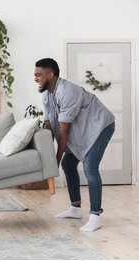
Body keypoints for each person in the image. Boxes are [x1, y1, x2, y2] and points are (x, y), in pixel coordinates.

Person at [34, 58, 115, 232]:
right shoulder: (47, 96)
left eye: (38, 75)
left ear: (50, 74)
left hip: (100, 126)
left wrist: (54, 162)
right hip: (84, 129)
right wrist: (48, 159)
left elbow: (64, 131)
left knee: (90, 167)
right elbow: (49, 126)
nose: (35, 78)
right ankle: (75, 208)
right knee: (68, 164)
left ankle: (95, 215)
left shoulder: (67, 92)